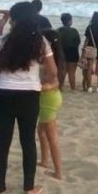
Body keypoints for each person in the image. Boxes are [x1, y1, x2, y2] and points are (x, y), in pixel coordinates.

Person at [0, 1, 56, 194]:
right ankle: (28, 188)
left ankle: (0, 189)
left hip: (4, 94)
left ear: (14, 19)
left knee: (2, 142)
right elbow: (53, 71)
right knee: (28, 141)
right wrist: (40, 82)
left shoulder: (1, 41)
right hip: (29, 96)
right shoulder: (40, 42)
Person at [37, 30, 63, 180]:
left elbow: (53, 83)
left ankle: (58, 172)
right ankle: (45, 161)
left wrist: (34, 87)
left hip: (48, 98)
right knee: (40, 131)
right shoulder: (48, 58)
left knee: (51, 137)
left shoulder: (51, 62)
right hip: (47, 98)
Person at [56, 13, 81, 91]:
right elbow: (78, 42)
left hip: (61, 53)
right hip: (73, 53)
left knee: (61, 72)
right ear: (69, 21)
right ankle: (72, 89)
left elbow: (56, 43)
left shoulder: (58, 30)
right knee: (72, 73)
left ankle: (59, 88)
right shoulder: (74, 31)